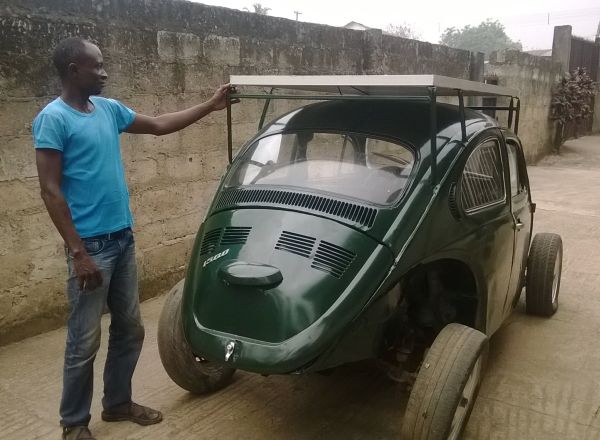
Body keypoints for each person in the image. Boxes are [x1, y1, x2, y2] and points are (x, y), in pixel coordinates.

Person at [32, 37, 231, 440]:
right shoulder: (53, 119)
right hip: (90, 248)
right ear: (74, 70)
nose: (104, 72)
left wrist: (210, 105)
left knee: (130, 329)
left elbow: (158, 125)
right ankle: (73, 423)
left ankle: (117, 403)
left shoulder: (106, 110)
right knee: (84, 340)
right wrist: (78, 252)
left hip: (122, 239)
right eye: (97, 66)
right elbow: (50, 190)